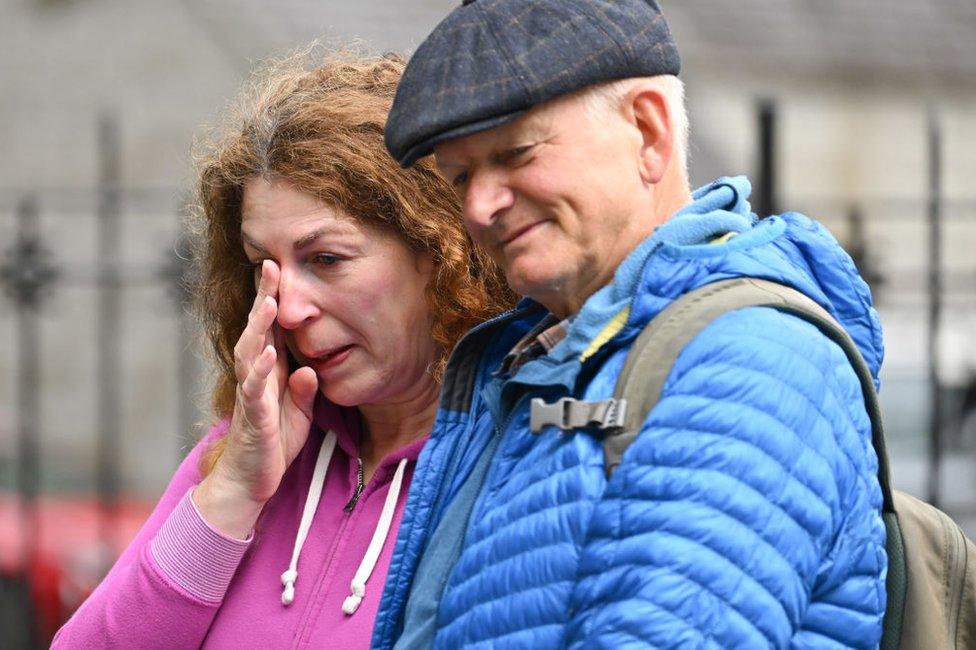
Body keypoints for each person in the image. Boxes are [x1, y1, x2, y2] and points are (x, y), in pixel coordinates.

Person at [371, 1, 888, 648]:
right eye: (461, 176)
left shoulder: (746, 358)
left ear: (648, 131)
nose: (479, 206)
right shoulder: (540, 353)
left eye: (515, 154)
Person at [52, 51, 512, 648]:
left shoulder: (517, 454)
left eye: (326, 259)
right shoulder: (245, 451)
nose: (288, 309)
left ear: (441, 252)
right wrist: (234, 490)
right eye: (262, 266)